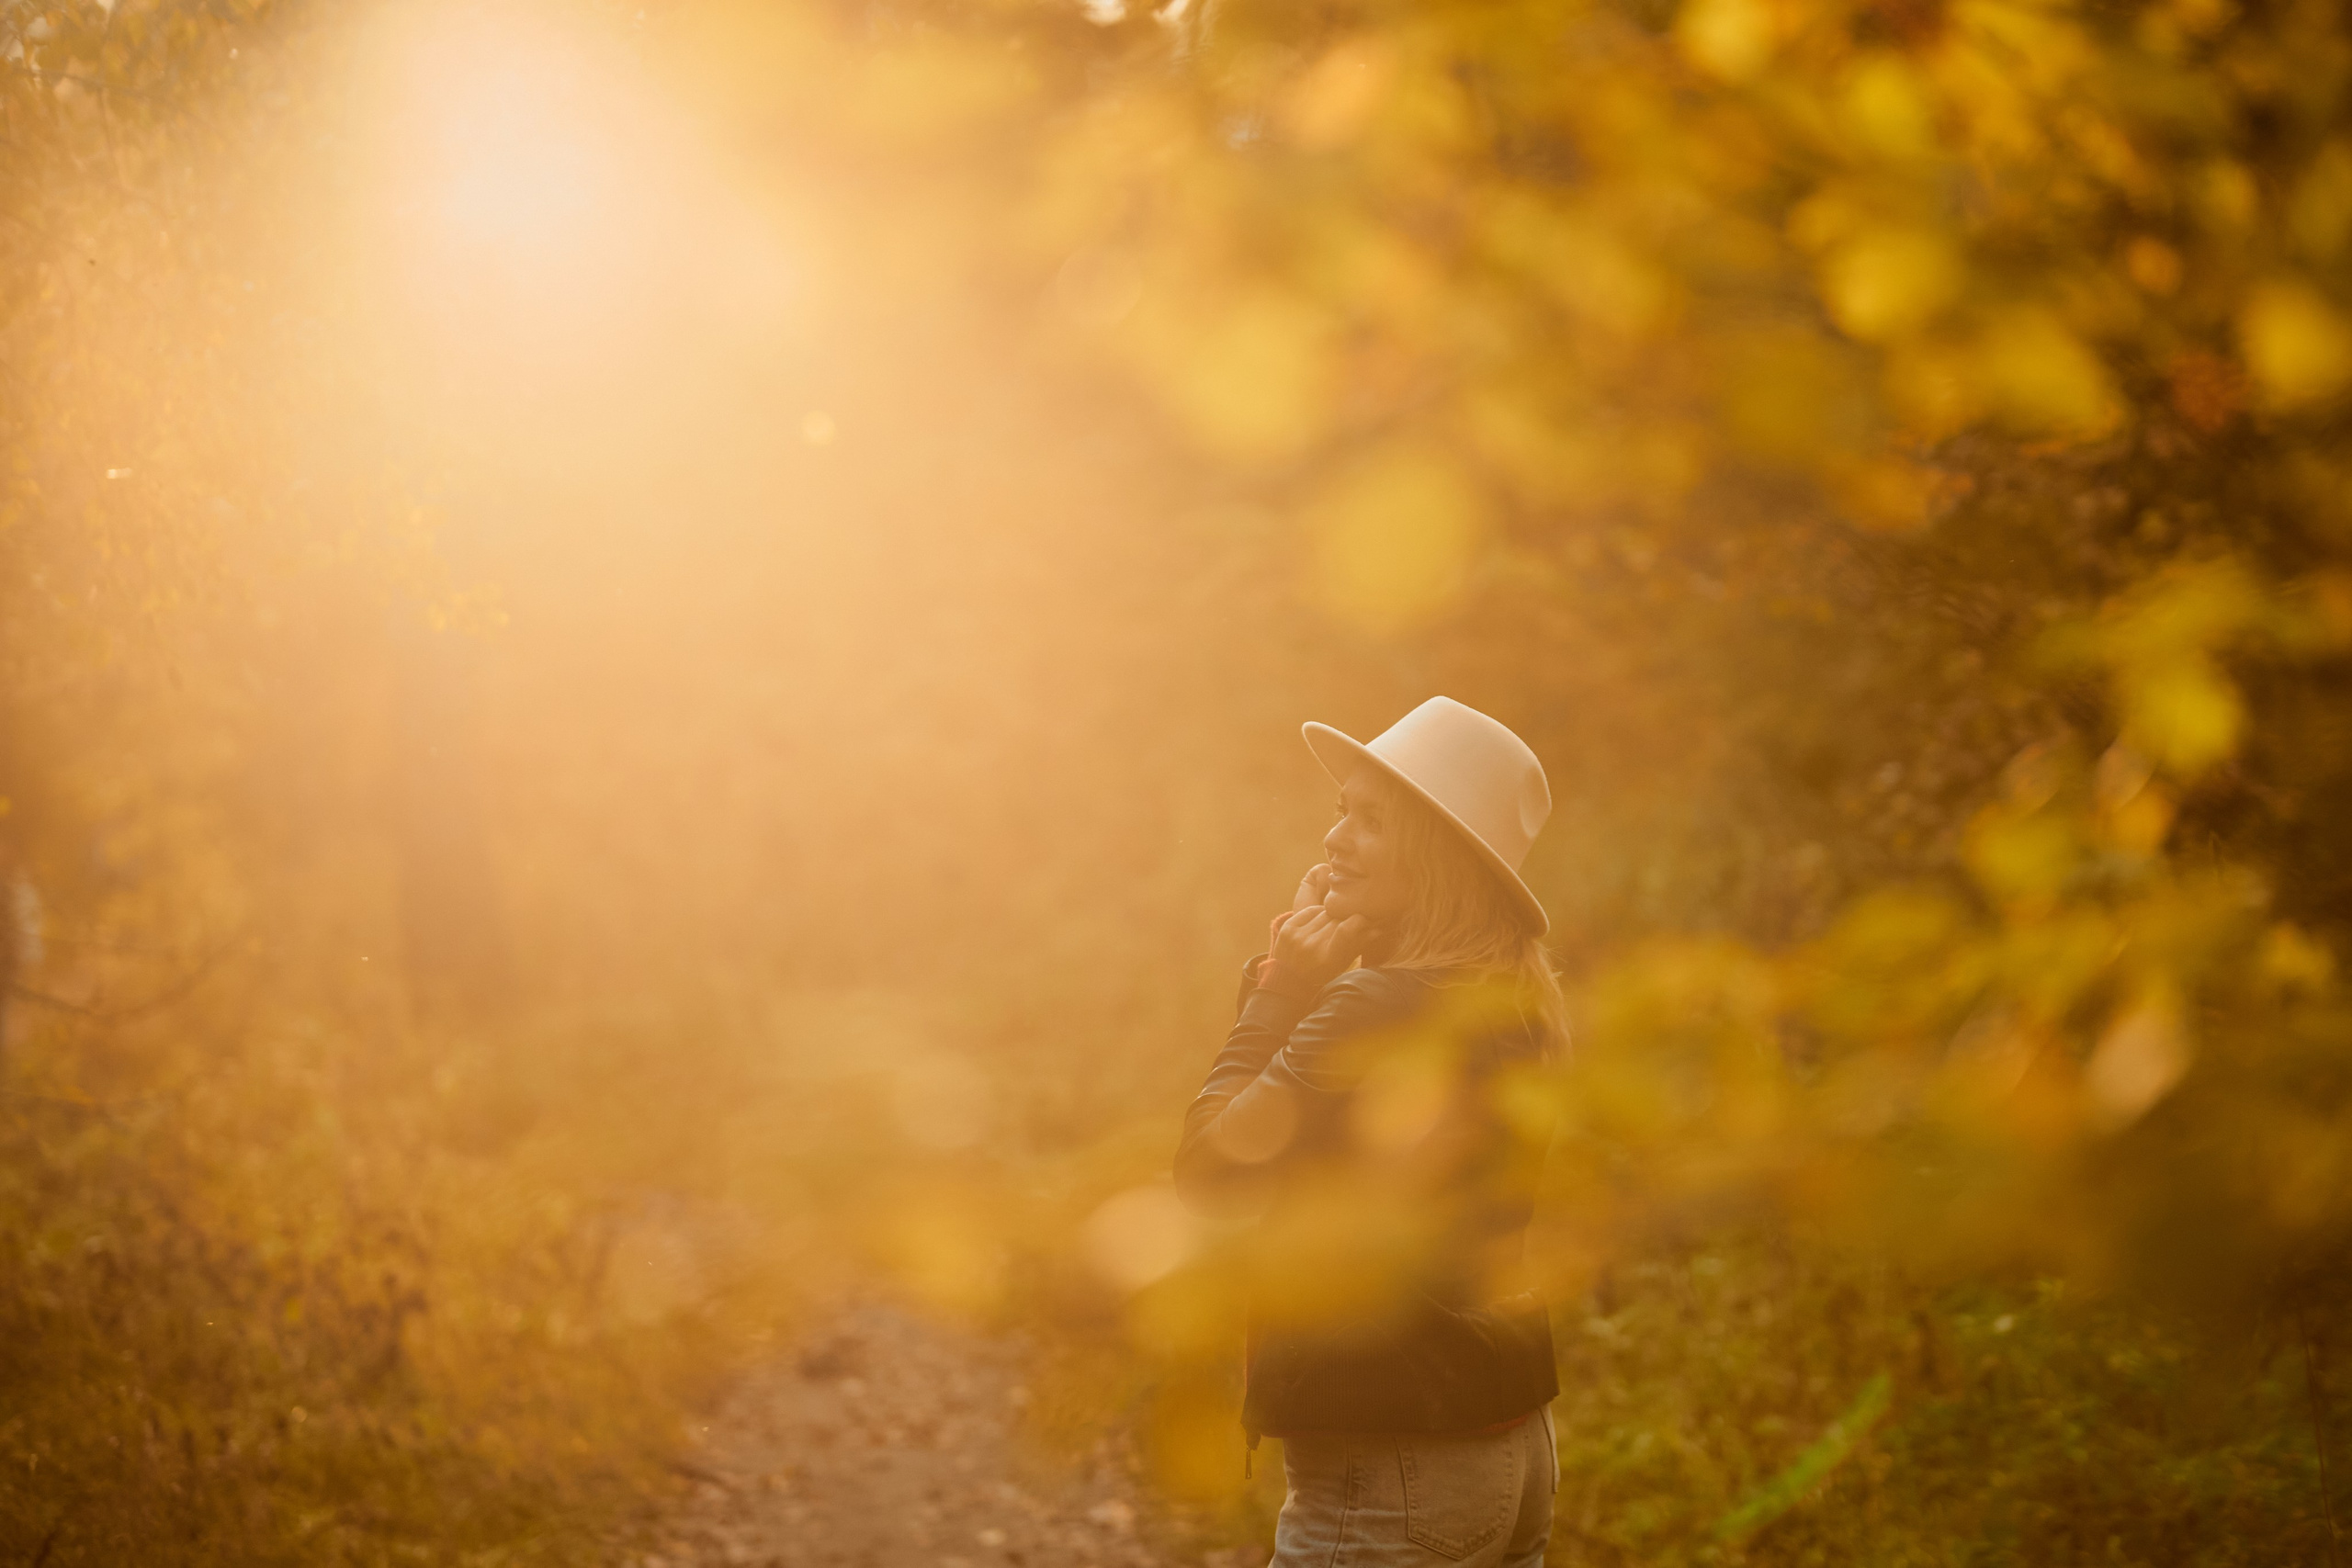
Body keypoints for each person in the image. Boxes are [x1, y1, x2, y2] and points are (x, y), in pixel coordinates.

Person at [1175, 695, 1568, 1568]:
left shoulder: (1374, 1004)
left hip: (1394, 1467)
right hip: (1511, 1451)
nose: (1334, 840)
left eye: (1371, 820)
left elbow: (1214, 1167)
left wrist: (1282, 989)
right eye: (1341, 812)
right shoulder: (1510, 1006)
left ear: (1437, 855)